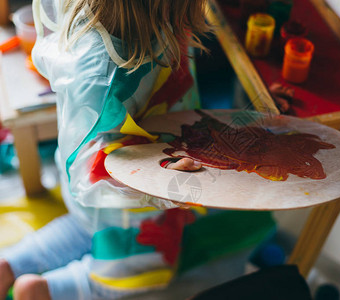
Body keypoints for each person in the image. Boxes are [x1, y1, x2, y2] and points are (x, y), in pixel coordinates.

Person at [0, 0, 210, 299]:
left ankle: (10, 265)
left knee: (87, 227)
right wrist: (158, 175)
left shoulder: (121, 23)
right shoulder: (105, 69)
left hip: (95, 193)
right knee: (143, 266)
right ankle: (43, 291)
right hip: (125, 194)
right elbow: (98, 164)